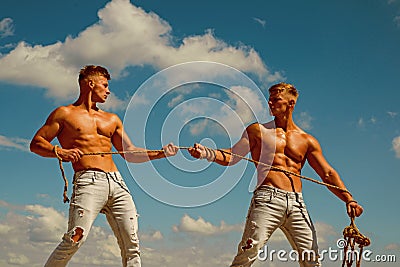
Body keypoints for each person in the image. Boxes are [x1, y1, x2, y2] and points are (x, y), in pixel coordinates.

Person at [189, 82, 363, 267]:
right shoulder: (258, 131)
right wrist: (206, 153)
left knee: (312, 260)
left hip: (297, 203)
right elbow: (232, 156)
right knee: (248, 253)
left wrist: (348, 199)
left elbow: (327, 173)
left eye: (276, 100)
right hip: (267, 199)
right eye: (269, 100)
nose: (270, 104)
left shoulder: (307, 140)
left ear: (291, 103)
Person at [30, 65, 178, 267]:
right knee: (75, 238)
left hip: (117, 183)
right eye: (105, 85)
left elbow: (129, 153)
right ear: (90, 84)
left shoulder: (112, 119)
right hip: (87, 181)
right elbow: (36, 143)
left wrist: (161, 153)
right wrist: (59, 151)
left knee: (132, 245)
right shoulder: (64, 114)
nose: (108, 91)